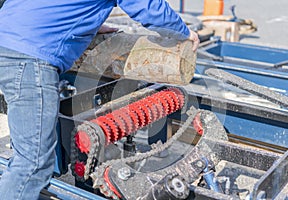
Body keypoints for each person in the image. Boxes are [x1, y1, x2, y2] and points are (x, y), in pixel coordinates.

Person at [0, 0, 199, 199]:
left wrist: (89, 24)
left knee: (24, 153)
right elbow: (146, 6)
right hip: (29, 57)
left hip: (8, 40)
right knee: (33, 163)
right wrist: (184, 33)